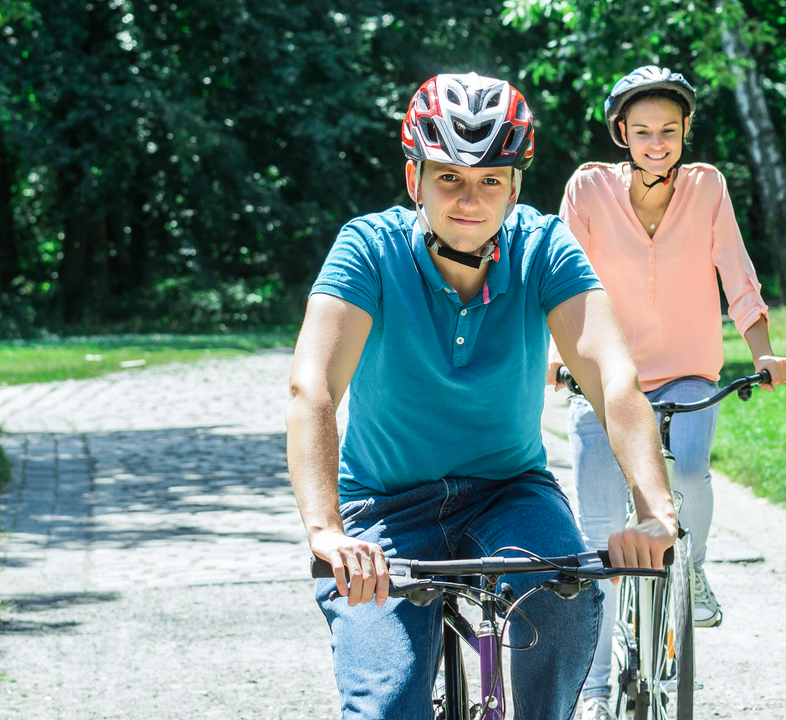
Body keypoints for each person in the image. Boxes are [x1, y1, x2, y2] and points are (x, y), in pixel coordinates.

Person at [286, 72, 677, 720]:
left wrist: (654, 511)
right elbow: (313, 387)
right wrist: (326, 531)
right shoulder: (368, 249)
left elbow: (614, 380)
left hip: (508, 493)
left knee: (566, 594)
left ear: (515, 186)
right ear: (415, 179)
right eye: (450, 178)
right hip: (382, 509)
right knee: (386, 706)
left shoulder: (543, 248)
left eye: (491, 180)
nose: (471, 199)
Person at [547, 66, 786, 719]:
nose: (657, 142)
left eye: (670, 130)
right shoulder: (589, 189)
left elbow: (738, 274)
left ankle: (694, 569)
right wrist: (556, 356)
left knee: (690, 466)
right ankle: (596, 690)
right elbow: (561, 277)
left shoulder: (707, 188)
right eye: (644, 131)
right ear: (622, 132)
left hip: (688, 367)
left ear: (685, 133)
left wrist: (762, 350)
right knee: (600, 535)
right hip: (607, 374)